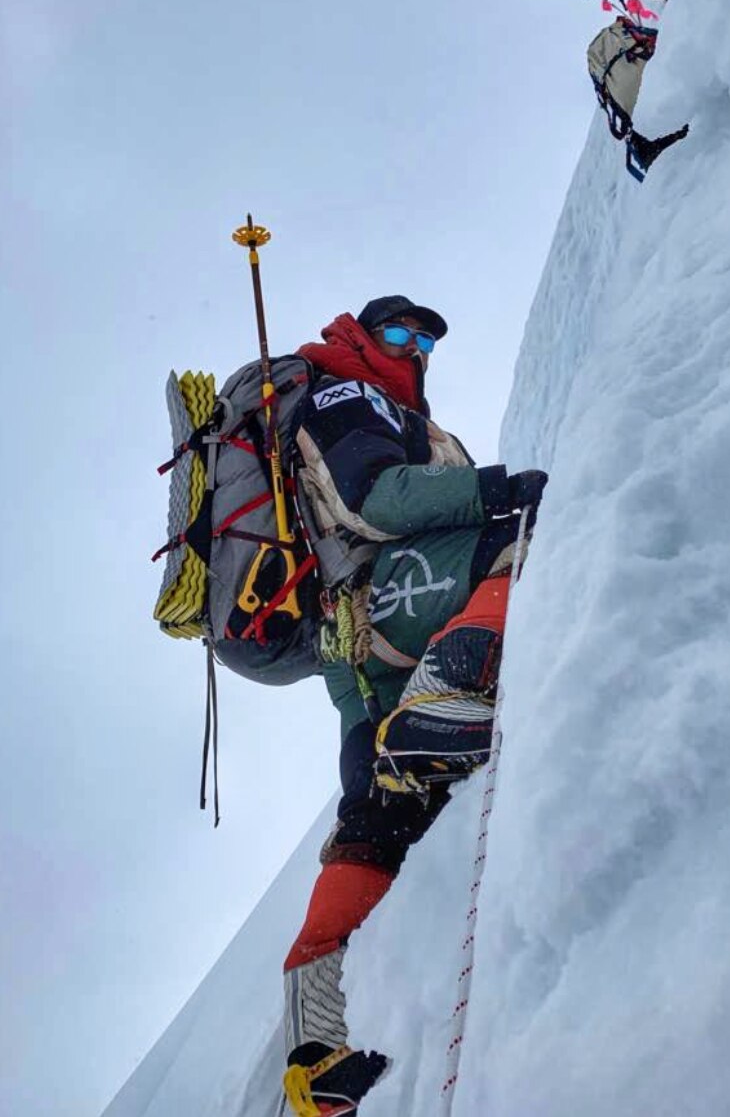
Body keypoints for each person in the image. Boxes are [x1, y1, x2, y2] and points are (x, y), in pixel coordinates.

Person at [280, 295, 547, 1116]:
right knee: (521, 536)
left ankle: (313, 1055)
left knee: (377, 813)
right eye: (399, 331)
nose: (416, 347)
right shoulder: (344, 393)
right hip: (387, 598)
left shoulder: (389, 410)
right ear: (362, 335)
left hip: (356, 642)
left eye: (426, 337)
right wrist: (494, 488)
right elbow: (378, 500)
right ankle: (444, 696)